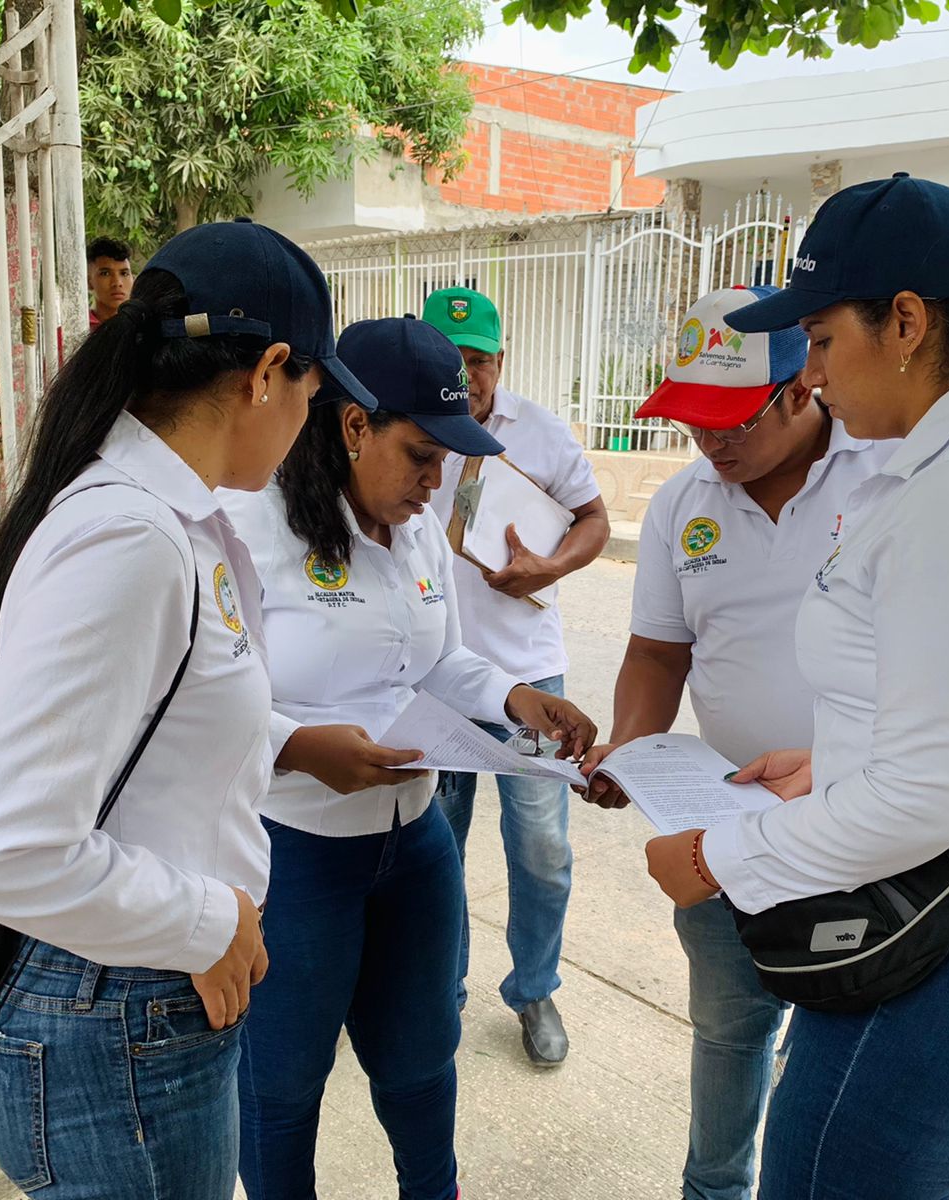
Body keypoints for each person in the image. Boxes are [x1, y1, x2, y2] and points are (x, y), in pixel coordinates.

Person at [629, 175, 949, 1198]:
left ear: (904, 322)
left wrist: (719, 854)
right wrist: (839, 765)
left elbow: (931, 795)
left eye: (821, 341)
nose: (813, 373)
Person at [0, 220, 378, 1197]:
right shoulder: (133, 537)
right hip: (113, 1025)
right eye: (314, 394)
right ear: (266, 371)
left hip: (128, 1004)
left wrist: (282, 749)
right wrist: (205, 922)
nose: (310, 420)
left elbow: (158, 728)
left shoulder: (178, 515)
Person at [221, 315, 598, 1200]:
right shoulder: (251, 529)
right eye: (422, 455)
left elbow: (442, 662)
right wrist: (301, 749)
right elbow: (204, 699)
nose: (438, 482)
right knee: (281, 1087)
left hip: (414, 847)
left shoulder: (421, 528)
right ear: (354, 426)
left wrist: (514, 697)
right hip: (297, 855)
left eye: (449, 461)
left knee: (422, 1064)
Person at [582, 285, 894, 1200]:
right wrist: (631, 755)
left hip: (867, 827)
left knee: (837, 1044)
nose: (709, 443)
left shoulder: (883, 483)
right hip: (729, 826)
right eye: (691, 421)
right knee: (728, 1032)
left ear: (802, 389)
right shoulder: (685, 504)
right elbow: (655, 652)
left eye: (729, 421)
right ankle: (712, 1191)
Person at [419, 285, 610, 1066]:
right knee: (439, 847)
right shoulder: (405, 430)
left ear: (503, 360)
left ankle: (534, 988)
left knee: (540, 847)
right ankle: (441, 987)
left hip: (530, 682)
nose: (467, 376)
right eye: (452, 360)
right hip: (438, 682)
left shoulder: (541, 432)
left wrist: (548, 566)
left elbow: (594, 518)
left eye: (480, 361)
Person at [87, 236, 134, 327]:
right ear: (89, 282)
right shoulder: (72, 331)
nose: (117, 283)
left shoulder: (145, 330)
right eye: (105, 273)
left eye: (124, 274)